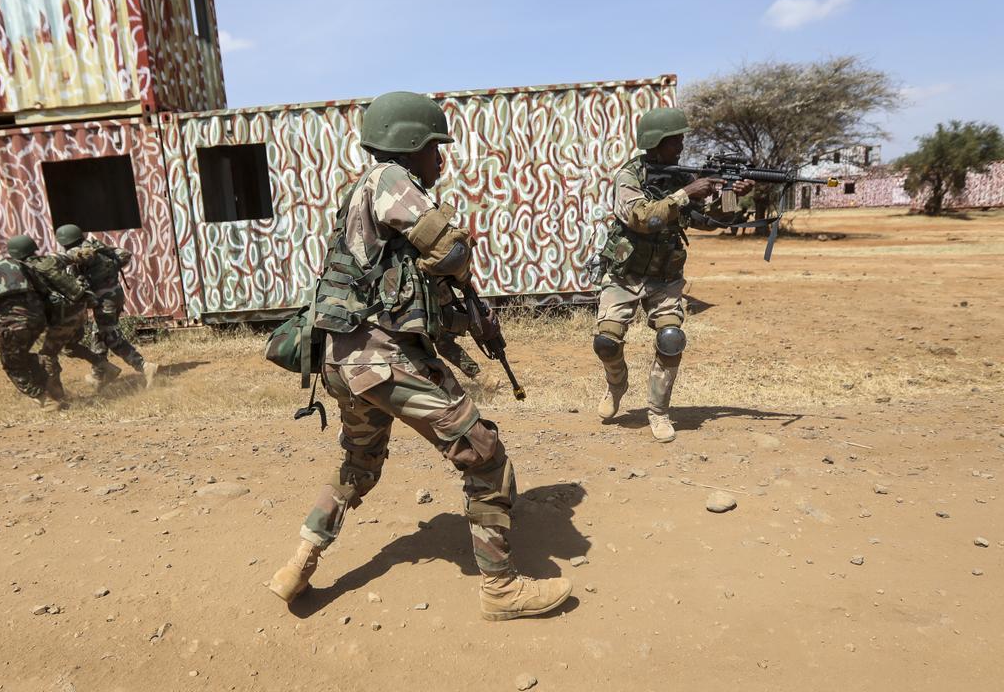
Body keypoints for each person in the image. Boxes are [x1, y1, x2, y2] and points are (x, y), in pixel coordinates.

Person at [268, 91, 571, 621]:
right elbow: (448, 248)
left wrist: (462, 315)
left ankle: (299, 562)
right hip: (379, 359)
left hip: (344, 359)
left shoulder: (357, 193)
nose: (441, 158)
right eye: (435, 147)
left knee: (360, 464)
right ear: (410, 144)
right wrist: (457, 260)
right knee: (483, 453)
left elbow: (401, 292)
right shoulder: (390, 180)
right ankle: (501, 589)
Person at [592, 107, 753, 442]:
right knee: (606, 341)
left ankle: (659, 412)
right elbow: (642, 219)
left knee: (671, 338)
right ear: (655, 142)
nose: (680, 145)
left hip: (665, 277)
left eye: (681, 138)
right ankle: (616, 384)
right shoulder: (630, 177)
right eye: (674, 139)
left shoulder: (682, 177)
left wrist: (730, 197)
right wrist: (686, 193)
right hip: (625, 274)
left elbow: (708, 221)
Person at [13, 238, 119, 402]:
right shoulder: (51, 259)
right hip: (79, 311)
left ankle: (57, 398)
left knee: (47, 355)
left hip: (62, 317)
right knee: (70, 347)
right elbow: (78, 255)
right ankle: (106, 366)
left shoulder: (24, 270)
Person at [54, 224, 158, 390]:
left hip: (104, 301)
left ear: (64, 242)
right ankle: (100, 374)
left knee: (111, 336)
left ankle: (144, 366)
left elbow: (74, 282)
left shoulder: (79, 255)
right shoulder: (97, 246)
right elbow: (123, 255)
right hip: (115, 295)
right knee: (99, 333)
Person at [0, 235, 62, 410]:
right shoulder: (16, 263)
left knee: (12, 364)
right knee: (21, 355)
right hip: (38, 319)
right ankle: (54, 388)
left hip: (12, 324)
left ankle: (44, 397)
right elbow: (43, 289)